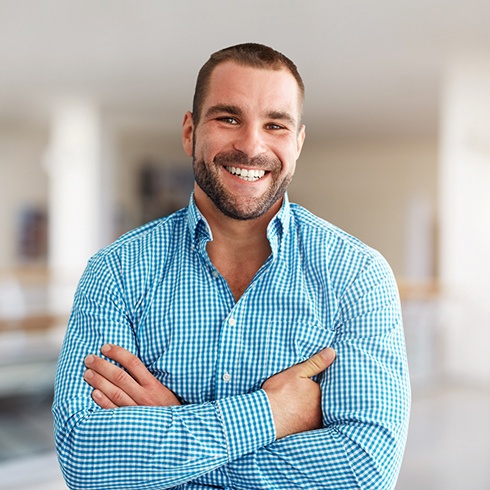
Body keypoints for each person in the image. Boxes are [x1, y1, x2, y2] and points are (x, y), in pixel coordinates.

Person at [53, 43, 410, 490]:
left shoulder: (356, 275)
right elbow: (85, 457)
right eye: (229, 118)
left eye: (275, 124)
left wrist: (174, 428)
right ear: (190, 132)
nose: (250, 145)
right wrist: (273, 412)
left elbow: (364, 469)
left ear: (297, 144)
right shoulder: (117, 271)